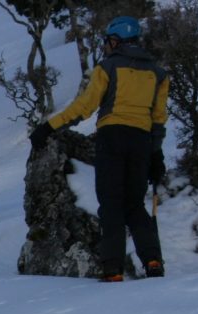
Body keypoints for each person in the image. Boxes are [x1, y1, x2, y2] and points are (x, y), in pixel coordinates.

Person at [30, 16, 167, 282]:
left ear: (116, 41)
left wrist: (48, 127)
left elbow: (83, 108)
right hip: (141, 142)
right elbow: (158, 119)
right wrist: (156, 153)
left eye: (107, 41)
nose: (105, 46)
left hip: (112, 137)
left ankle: (113, 270)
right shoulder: (159, 74)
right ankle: (153, 261)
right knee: (135, 205)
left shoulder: (108, 68)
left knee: (111, 205)